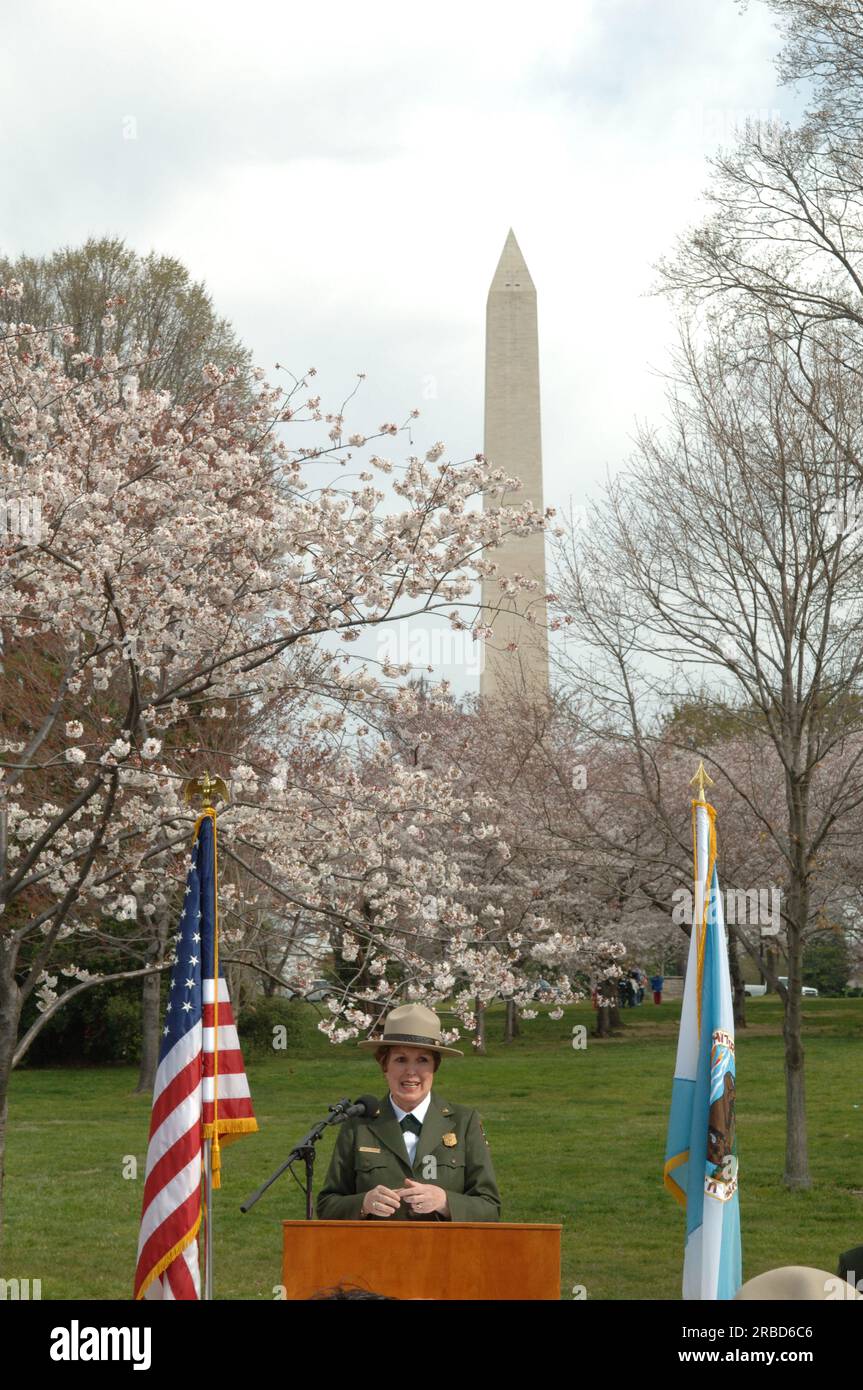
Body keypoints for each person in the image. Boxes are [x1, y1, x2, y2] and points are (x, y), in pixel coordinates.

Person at [316, 1003, 501, 1222]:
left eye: (422, 1060)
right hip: (375, 1252)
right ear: (385, 1066)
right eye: (400, 1060)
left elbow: (490, 1208)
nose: (411, 1072)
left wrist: (445, 1202)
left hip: (447, 1253)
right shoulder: (359, 1125)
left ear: (435, 1067)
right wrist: (363, 1204)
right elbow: (327, 1206)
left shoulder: (464, 1122)